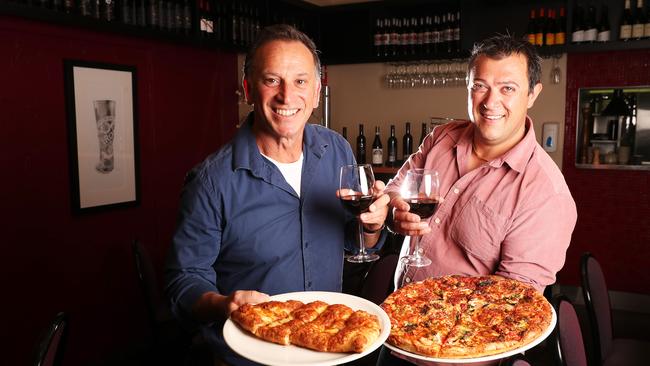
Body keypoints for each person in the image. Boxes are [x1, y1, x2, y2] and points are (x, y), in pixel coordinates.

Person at [164, 24, 389, 366]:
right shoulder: (211, 180)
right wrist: (223, 304)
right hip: (248, 356)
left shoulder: (337, 151)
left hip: (327, 348)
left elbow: (354, 241)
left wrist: (372, 228)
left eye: (300, 81)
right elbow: (183, 281)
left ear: (316, 92)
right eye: (272, 80)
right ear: (248, 89)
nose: (287, 96)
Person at [377, 35, 577, 366]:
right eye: (480, 85)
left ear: (532, 94)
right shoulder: (441, 137)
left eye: (508, 88)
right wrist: (394, 211)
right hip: (396, 331)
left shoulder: (545, 193)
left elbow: (513, 302)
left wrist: (436, 322)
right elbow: (395, 189)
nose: (490, 101)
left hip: (467, 353)